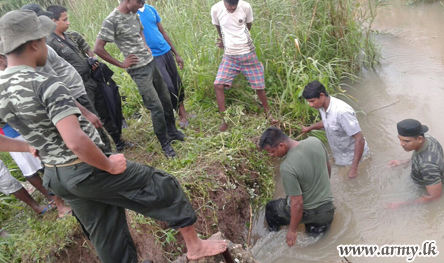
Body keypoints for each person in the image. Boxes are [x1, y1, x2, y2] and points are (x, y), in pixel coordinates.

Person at [0, 10, 226, 263]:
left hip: (55, 176)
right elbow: (75, 141)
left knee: (106, 232)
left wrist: (26, 144)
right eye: (43, 40)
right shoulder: (44, 83)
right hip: (86, 168)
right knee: (164, 186)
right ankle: (195, 247)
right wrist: (107, 164)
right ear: (33, 44)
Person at [94, 0, 185, 158]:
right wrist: (121, 64)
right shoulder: (112, 20)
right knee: (155, 106)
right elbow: (98, 48)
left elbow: (141, 30)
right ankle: (165, 143)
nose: (141, 5)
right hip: (138, 70)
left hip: (151, 62)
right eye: (138, 2)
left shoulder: (133, 13)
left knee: (166, 99)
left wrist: (145, 45)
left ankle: (172, 131)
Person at [20, 3, 114, 152]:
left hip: (77, 91)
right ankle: (108, 162)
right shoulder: (36, 50)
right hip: (73, 97)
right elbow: (53, 84)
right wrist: (84, 111)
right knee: (93, 132)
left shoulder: (42, 43)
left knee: (97, 127)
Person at [45, 4, 132, 152]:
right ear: (53, 21)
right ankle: (104, 150)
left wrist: (91, 61)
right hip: (77, 88)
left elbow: (85, 51)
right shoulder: (50, 44)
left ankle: (118, 141)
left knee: (105, 111)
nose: (68, 22)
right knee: (92, 118)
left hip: (91, 79)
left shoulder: (70, 36)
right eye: (64, 20)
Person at [259, 127, 335, 247]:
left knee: (270, 209)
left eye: (272, 151)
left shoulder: (287, 167)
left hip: (306, 212)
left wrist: (292, 230)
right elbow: (328, 169)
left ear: (281, 145)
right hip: (327, 211)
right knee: (316, 243)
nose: (271, 155)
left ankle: (273, 239)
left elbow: (297, 203)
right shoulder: (315, 142)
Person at [211, 0, 275, 132]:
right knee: (218, 85)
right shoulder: (216, 9)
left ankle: (268, 113)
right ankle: (225, 120)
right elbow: (219, 27)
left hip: (248, 54)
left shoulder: (246, 7)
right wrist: (223, 40)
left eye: (235, 6)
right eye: (230, 6)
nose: (232, 8)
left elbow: (248, 26)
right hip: (229, 56)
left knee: (259, 86)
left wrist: (241, 40)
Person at [138, 3, 193, 128]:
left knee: (177, 83)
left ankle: (183, 112)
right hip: (154, 56)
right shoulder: (132, 13)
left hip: (165, 50)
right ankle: (179, 116)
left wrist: (176, 54)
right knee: (168, 86)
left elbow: (162, 31)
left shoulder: (150, 9)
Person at [0, 124, 72, 218]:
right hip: (13, 135)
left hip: (26, 128)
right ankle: (59, 204)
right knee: (34, 169)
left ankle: (59, 198)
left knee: (41, 165)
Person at [301, 80, 369, 178]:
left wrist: (353, 169)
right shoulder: (321, 107)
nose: (310, 105)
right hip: (341, 157)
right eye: (309, 102)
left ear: (322, 95)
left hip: (356, 159)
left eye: (312, 101)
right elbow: (327, 122)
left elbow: (360, 139)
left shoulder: (342, 112)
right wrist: (309, 128)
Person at [387, 119, 443, 208]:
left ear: (420, 139)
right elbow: (421, 155)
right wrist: (403, 162)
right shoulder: (428, 138)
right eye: (400, 139)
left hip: (422, 186)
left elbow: (435, 196)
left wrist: (401, 205)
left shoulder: (428, 166)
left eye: (406, 141)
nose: (402, 144)